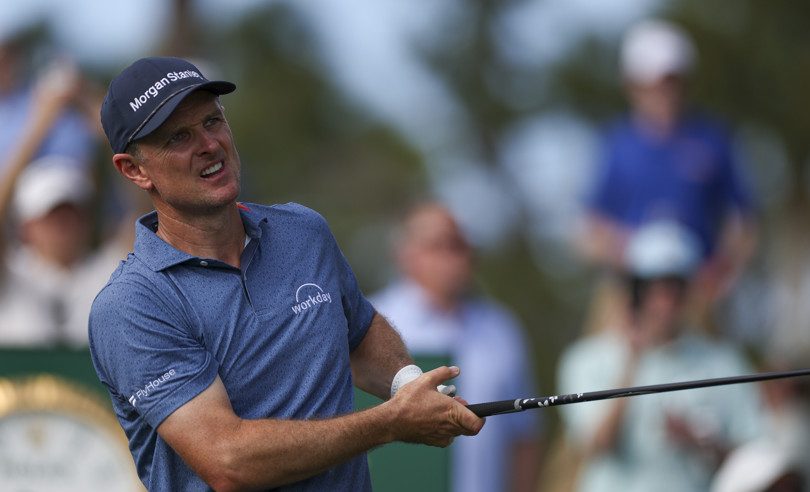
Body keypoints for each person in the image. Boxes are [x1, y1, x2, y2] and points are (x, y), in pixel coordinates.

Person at [88, 56, 484, 491]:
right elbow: (228, 461)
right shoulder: (131, 305)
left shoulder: (303, 231)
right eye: (180, 136)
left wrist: (409, 384)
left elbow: (360, 329)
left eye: (212, 121)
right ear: (135, 170)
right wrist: (392, 422)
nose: (209, 144)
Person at [558, 220, 762, 492]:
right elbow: (597, 445)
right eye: (653, 289)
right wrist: (631, 362)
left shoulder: (724, 361)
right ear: (633, 293)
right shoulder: (586, 359)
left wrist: (702, 443)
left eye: (675, 288)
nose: (665, 302)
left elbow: (754, 459)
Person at [578, 19, 757, 326]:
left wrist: (721, 270)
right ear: (632, 86)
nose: (664, 92)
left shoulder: (712, 139)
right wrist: (630, 253)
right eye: (654, 82)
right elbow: (588, 231)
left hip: (696, 290)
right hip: (628, 290)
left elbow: (744, 223)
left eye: (672, 80)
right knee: (601, 363)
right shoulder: (616, 144)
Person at [371, 202, 541, 492]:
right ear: (405, 255)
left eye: (461, 246)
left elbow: (524, 435)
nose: (455, 258)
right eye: (441, 245)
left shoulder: (500, 327)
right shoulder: (374, 322)